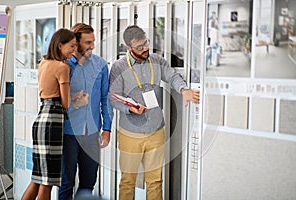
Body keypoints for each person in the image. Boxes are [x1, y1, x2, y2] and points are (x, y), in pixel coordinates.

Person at [109, 25, 200, 200]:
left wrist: (184, 90)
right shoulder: (119, 67)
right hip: (130, 133)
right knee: (128, 181)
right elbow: (113, 97)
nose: (145, 49)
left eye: (146, 43)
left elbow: (173, 76)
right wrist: (129, 108)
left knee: (155, 181)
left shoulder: (157, 61)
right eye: (139, 47)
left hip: (156, 130)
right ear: (128, 48)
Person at [21, 28, 77, 200]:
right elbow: (65, 102)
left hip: (41, 119)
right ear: (60, 45)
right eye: (72, 46)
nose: (74, 51)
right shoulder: (62, 67)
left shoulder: (44, 62)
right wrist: (78, 98)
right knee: (47, 181)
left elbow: (51, 93)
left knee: (37, 179)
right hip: (53, 122)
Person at [59, 23, 113, 200]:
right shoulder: (62, 65)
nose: (92, 46)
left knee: (89, 182)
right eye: (88, 42)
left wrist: (107, 128)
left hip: (91, 133)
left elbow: (106, 99)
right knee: (66, 183)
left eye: (93, 41)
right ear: (76, 42)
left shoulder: (101, 65)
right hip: (68, 132)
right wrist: (73, 98)